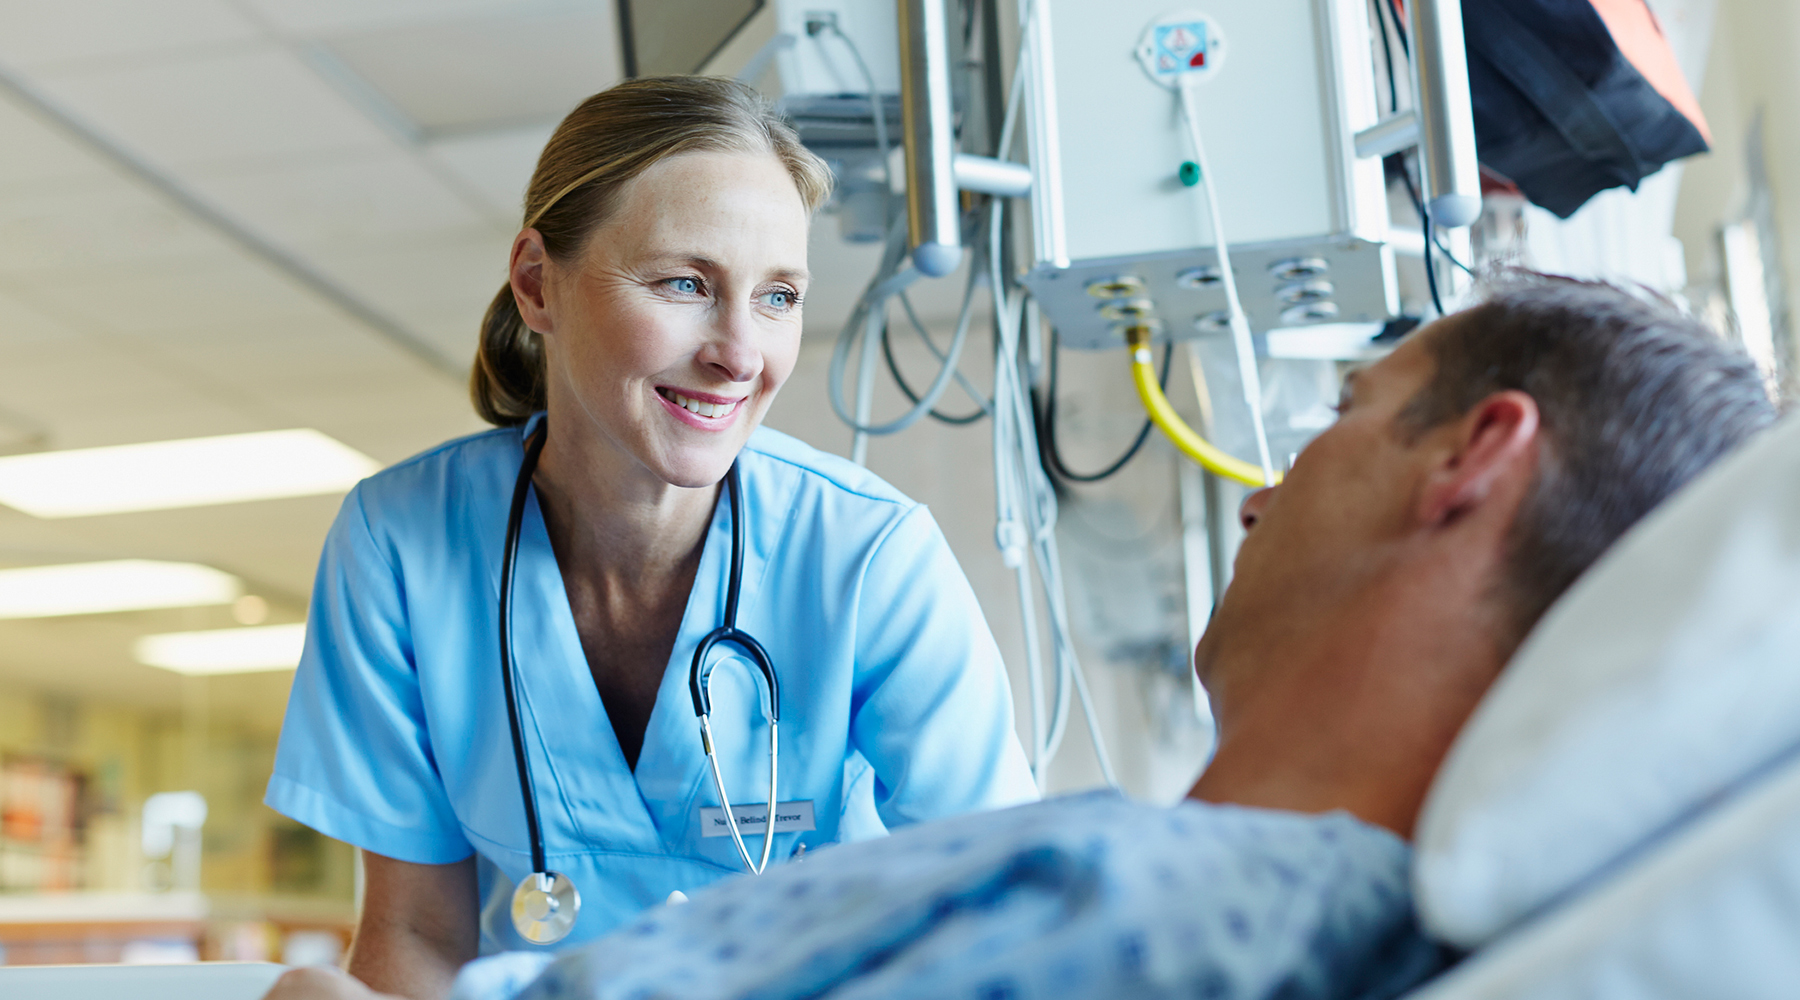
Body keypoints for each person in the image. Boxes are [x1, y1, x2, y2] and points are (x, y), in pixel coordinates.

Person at [266, 279, 1776, 1000]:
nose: (1263, 492)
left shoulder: (1165, 911)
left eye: (1343, 415)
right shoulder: (1208, 889)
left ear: (1473, 459)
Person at [263, 76, 1037, 999]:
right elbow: (416, 934)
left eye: (778, 296)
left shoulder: (866, 555)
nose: (740, 353)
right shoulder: (400, 544)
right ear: (536, 283)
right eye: (685, 284)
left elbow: (1004, 920)